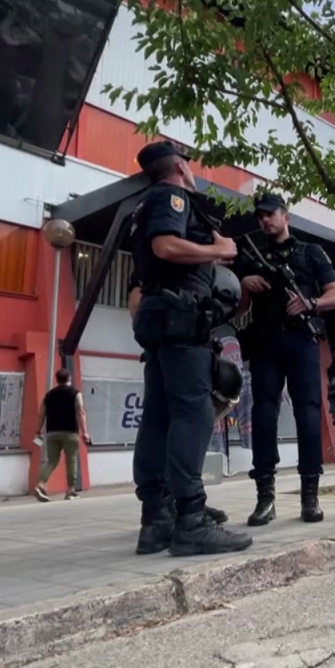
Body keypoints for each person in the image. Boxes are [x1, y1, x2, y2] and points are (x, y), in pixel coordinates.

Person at [127, 140, 252, 557]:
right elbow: (165, 246)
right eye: (190, 166)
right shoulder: (171, 197)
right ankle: (191, 521)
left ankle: (156, 519)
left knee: (159, 416)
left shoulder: (143, 205)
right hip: (181, 317)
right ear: (180, 167)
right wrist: (218, 250)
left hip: (161, 316)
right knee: (192, 412)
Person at [236, 192, 335, 525]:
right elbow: (239, 309)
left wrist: (310, 303)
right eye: (260, 216)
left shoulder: (311, 252)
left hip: (301, 340)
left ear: (286, 217)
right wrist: (244, 283)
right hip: (266, 341)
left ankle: (309, 496)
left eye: (270, 214)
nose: (265, 220)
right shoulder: (251, 254)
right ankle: (265, 497)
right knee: (264, 417)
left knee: (309, 416)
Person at [33, 369, 88, 502]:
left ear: (56, 380)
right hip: (70, 432)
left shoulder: (49, 395)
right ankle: (70, 491)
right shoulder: (75, 393)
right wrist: (85, 432)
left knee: (52, 461)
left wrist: (38, 431)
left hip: (52, 433)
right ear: (69, 378)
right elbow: (80, 412)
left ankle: (40, 484)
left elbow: (41, 414)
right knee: (71, 460)